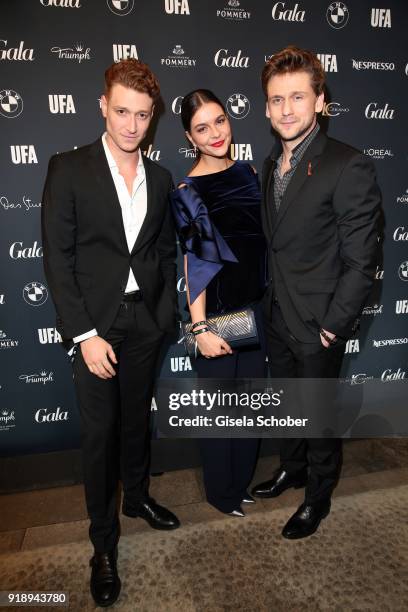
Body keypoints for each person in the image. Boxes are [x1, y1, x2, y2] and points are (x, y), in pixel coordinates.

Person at [42, 59, 180, 607]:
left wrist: (163, 312)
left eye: (142, 115)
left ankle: (138, 497)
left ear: (152, 118)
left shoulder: (163, 178)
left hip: (144, 322)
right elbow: (59, 258)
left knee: (135, 423)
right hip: (95, 329)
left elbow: (165, 251)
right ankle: (103, 545)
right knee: (100, 437)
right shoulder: (68, 168)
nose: (130, 124)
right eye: (121, 111)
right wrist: (84, 333)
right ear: (103, 105)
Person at [251, 46, 381, 539]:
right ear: (265, 107)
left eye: (298, 97)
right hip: (277, 313)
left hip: (319, 322)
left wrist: (334, 324)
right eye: (276, 99)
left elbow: (361, 259)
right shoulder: (269, 165)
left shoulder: (349, 165)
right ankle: (293, 467)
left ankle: (318, 496)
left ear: (320, 100)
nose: (286, 109)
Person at [170, 89, 267, 517]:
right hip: (217, 316)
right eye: (201, 128)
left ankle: (240, 484)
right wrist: (200, 328)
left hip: (256, 311)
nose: (214, 133)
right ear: (190, 137)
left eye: (220, 120)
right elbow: (196, 262)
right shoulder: (187, 189)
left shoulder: (248, 171)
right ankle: (221, 494)